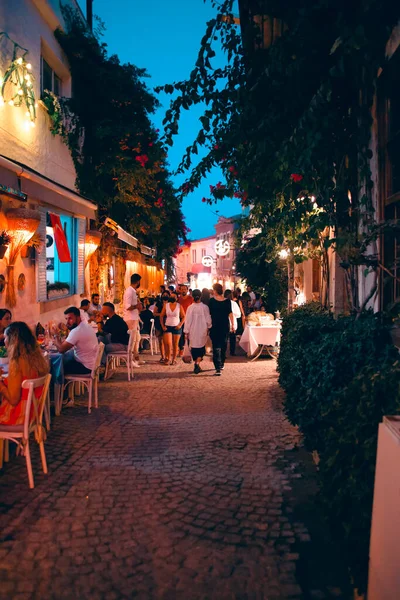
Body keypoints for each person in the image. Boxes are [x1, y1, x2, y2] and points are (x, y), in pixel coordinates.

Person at [0, 322, 49, 425]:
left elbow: (13, 400)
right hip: (32, 414)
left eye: (5, 338)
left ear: (13, 340)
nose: (4, 341)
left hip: (15, 416)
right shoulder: (37, 359)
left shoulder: (16, 362)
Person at [55, 307, 99, 375]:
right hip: (92, 364)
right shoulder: (86, 326)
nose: (67, 322)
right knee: (66, 357)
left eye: (70, 318)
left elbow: (61, 349)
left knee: (57, 366)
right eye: (66, 319)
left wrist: (55, 335)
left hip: (85, 367)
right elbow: (67, 343)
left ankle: (59, 385)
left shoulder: (77, 331)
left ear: (78, 317)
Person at [209, 283, 235, 375]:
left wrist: (233, 324)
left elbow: (230, 313)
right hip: (220, 325)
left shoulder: (214, 301)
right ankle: (218, 367)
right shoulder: (212, 301)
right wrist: (232, 325)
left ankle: (220, 364)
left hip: (218, 325)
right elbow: (230, 313)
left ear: (215, 290)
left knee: (221, 346)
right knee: (218, 346)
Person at [184, 289, 211, 374]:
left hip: (193, 331)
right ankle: (197, 363)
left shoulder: (190, 308)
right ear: (201, 296)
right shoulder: (205, 307)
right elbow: (208, 319)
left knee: (194, 348)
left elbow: (187, 320)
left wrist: (186, 331)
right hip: (202, 330)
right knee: (201, 348)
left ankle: (196, 363)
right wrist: (209, 326)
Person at [123, 273, 143, 366]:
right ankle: (130, 360)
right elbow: (128, 306)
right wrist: (137, 306)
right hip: (130, 318)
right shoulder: (129, 291)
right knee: (132, 340)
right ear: (138, 281)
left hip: (134, 318)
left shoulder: (133, 291)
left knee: (136, 339)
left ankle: (135, 358)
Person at [160, 291, 185, 365]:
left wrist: (180, 325)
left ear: (177, 298)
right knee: (167, 343)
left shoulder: (179, 306)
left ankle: (174, 359)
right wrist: (163, 326)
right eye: (172, 296)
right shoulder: (166, 305)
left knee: (175, 344)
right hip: (168, 326)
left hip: (176, 326)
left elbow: (183, 316)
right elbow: (161, 316)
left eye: (174, 296)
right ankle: (167, 357)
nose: (173, 297)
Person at [224, 289, 242, 356]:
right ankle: (232, 352)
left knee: (224, 339)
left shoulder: (222, 302)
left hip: (224, 323)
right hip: (233, 323)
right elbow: (238, 314)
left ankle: (224, 352)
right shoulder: (234, 303)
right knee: (232, 338)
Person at [153, 291, 169, 362]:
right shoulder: (158, 303)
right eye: (164, 295)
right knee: (160, 341)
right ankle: (162, 356)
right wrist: (161, 314)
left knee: (167, 341)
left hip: (168, 323)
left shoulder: (170, 304)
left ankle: (167, 356)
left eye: (166, 295)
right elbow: (154, 313)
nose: (165, 296)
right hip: (159, 323)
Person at [178, 284, 193, 357]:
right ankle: (181, 349)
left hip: (189, 319)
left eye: (185, 289)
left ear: (187, 290)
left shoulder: (191, 299)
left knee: (188, 334)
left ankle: (189, 349)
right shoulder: (178, 299)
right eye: (182, 289)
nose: (183, 290)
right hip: (180, 319)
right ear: (180, 290)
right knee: (180, 335)